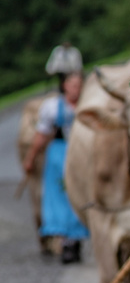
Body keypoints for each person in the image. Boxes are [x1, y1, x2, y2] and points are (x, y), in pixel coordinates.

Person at [23, 71, 89, 264]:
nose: (76, 88)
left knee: (79, 196)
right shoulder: (53, 107)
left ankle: (75, 240)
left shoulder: (86, 105)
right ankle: (67, 242)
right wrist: (30, 158)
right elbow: (41, 134)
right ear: (64, 85)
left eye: (79, 84)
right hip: (59, 155)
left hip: (80, 155)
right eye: (72, 84)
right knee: (60, 197)